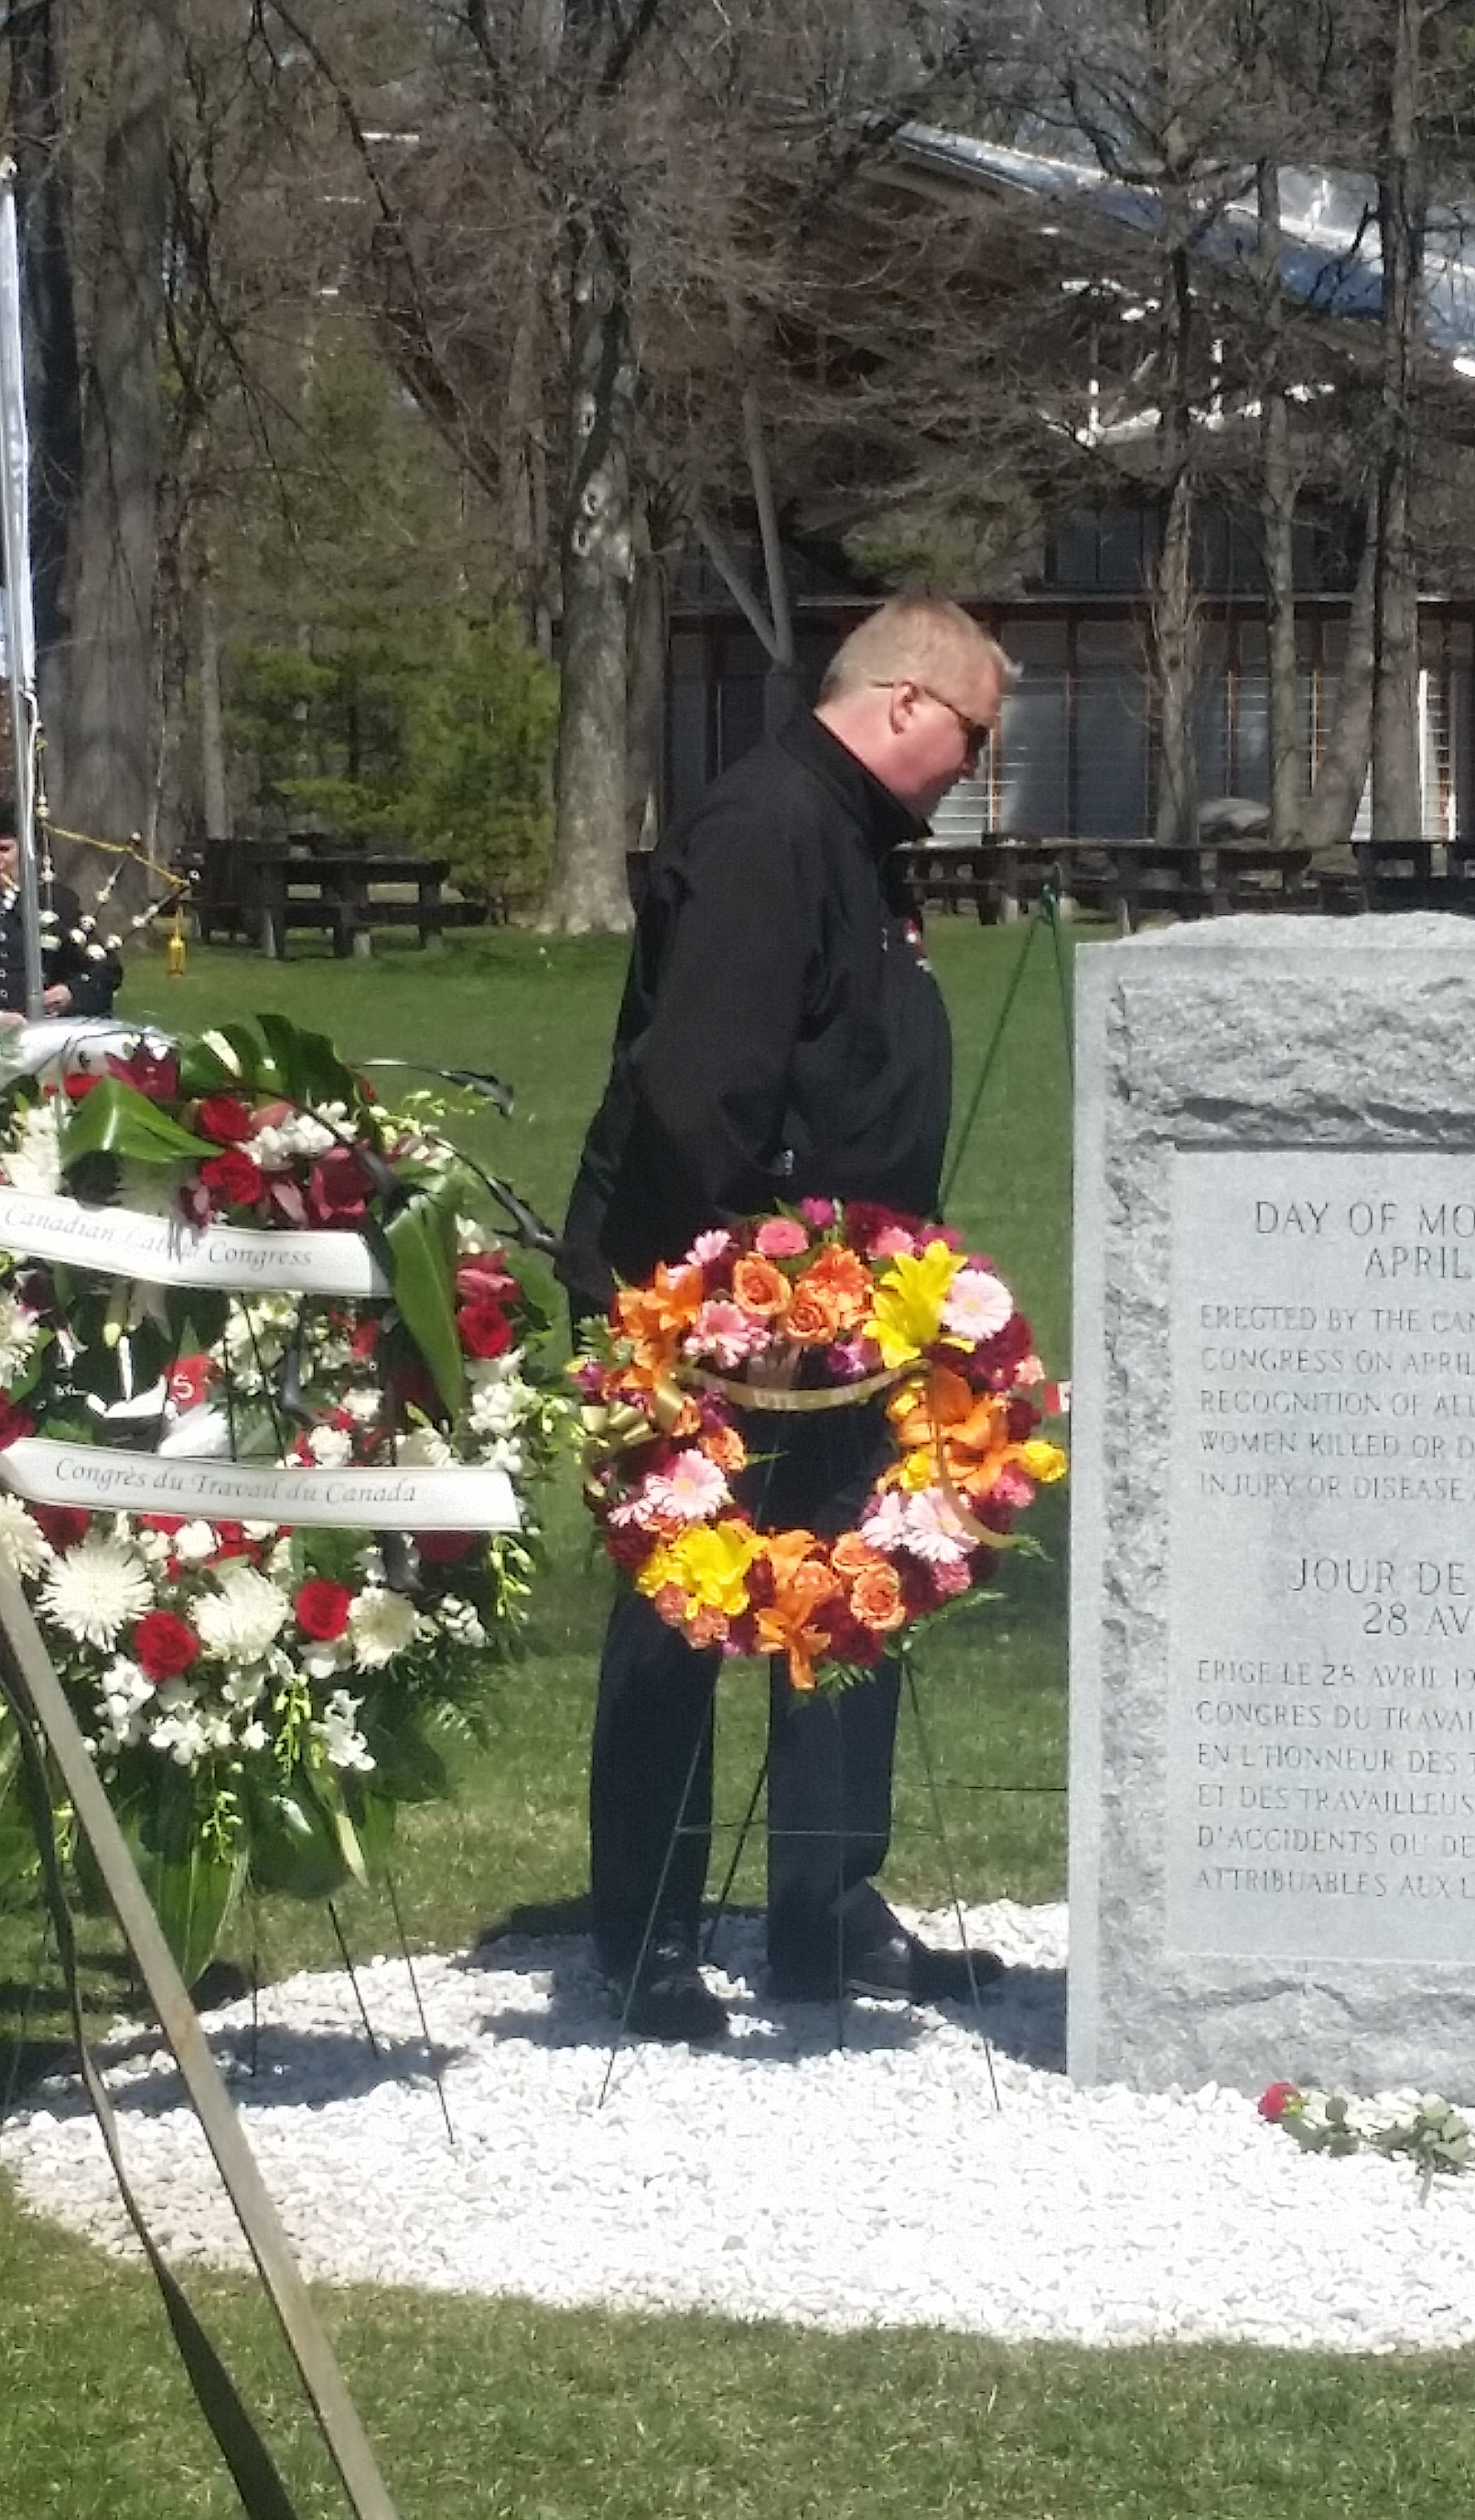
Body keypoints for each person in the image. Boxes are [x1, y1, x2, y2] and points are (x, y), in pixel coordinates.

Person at [558, 593, 1012, 2040]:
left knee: (858, 1591)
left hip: (848, 1314)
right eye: (974, 735)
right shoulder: (767, 832)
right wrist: (768, 1293)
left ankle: (825, 1906)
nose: (976, 767)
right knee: (685, 1603)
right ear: (902, 706)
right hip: (717, 1308)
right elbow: (704, 1091)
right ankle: (649, 1935)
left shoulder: (856, 842)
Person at [0, 800, 122, 1028]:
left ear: (23, 852)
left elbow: (105, 969)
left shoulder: (55, 903)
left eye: (4, 849)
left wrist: (70, 993)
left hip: (52, 1039)